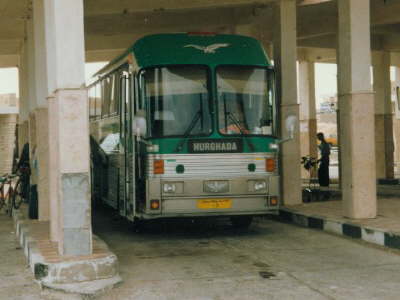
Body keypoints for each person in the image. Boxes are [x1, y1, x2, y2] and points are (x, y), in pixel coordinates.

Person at [317, 132, 330, 199]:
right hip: (324, 160)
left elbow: (326, 154)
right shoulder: (322, 144)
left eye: (319, 137)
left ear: (321, 137)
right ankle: (324, 190)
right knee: (322, 174)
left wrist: (319, 160)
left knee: (323, 174)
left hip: (325, 161)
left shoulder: (325, 144)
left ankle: (325, 191)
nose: (318, 138)